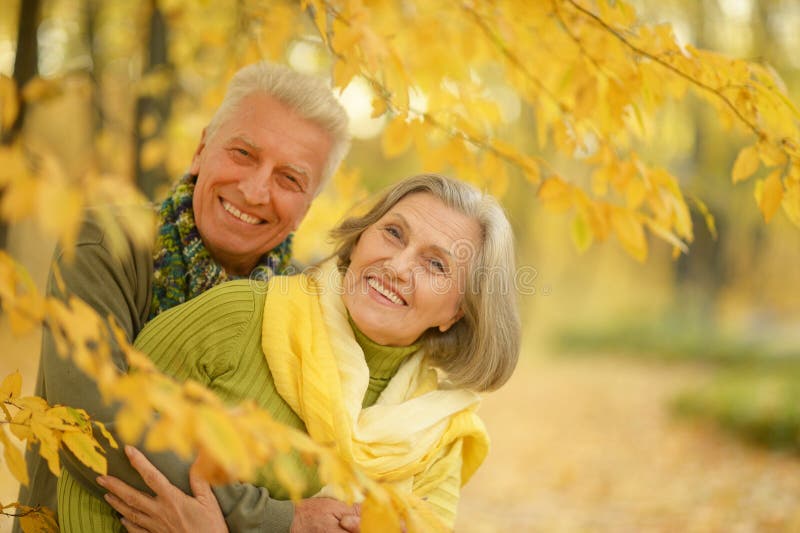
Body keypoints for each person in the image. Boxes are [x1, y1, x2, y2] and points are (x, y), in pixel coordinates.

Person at [57, 173, 521, 532]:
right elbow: (102, 470)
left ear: (457, 311)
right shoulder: (238, 316)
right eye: (393, 233)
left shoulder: (439, 437)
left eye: (435, 263)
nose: (397, 266)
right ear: (360, 240)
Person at [15, 61, 351, 533]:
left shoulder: (306, 309)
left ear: (306, 209)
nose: (255, 190)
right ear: (200, 150)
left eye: (289, 179)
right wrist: (274, 520)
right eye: (243, 153)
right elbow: (89, 421)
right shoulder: (102, 241)